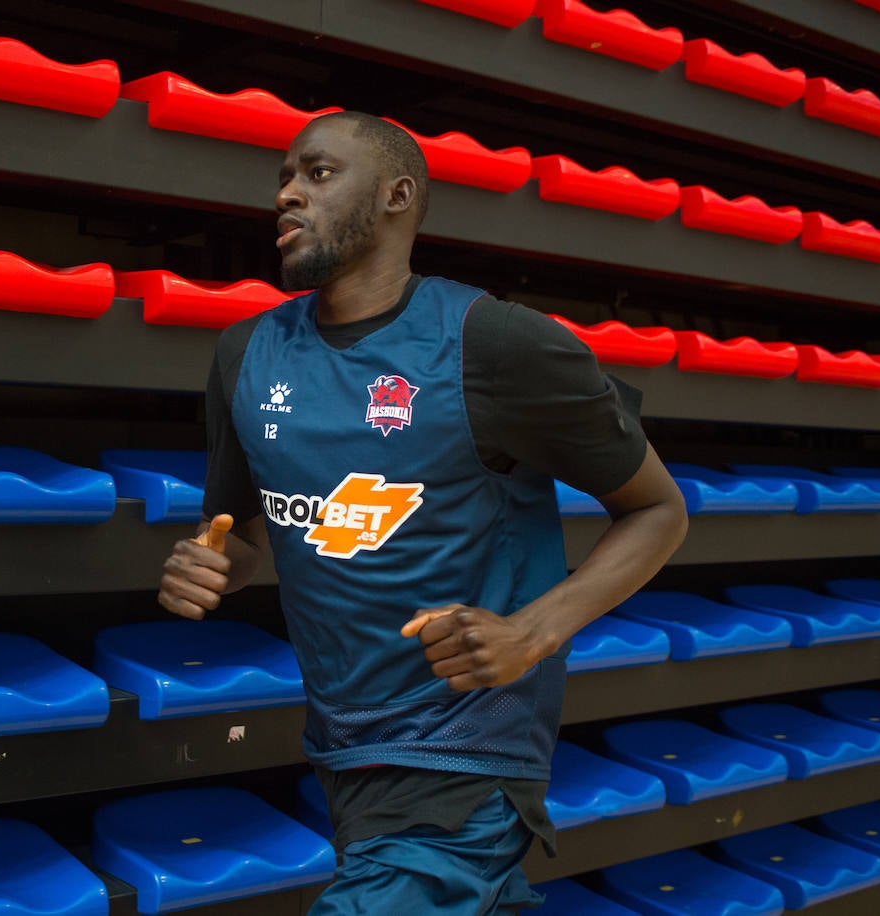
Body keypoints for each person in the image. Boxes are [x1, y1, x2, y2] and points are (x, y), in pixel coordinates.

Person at [157, 111, 689, 915]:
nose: (288, 195)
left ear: (399, 194)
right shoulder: (246, 353)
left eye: (318, 173)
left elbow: (659, 511)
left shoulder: (496, 343)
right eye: (283, 179)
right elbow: (243, 537)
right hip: (342, 745)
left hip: (466, 752)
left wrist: (529, 634)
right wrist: (212, 564)